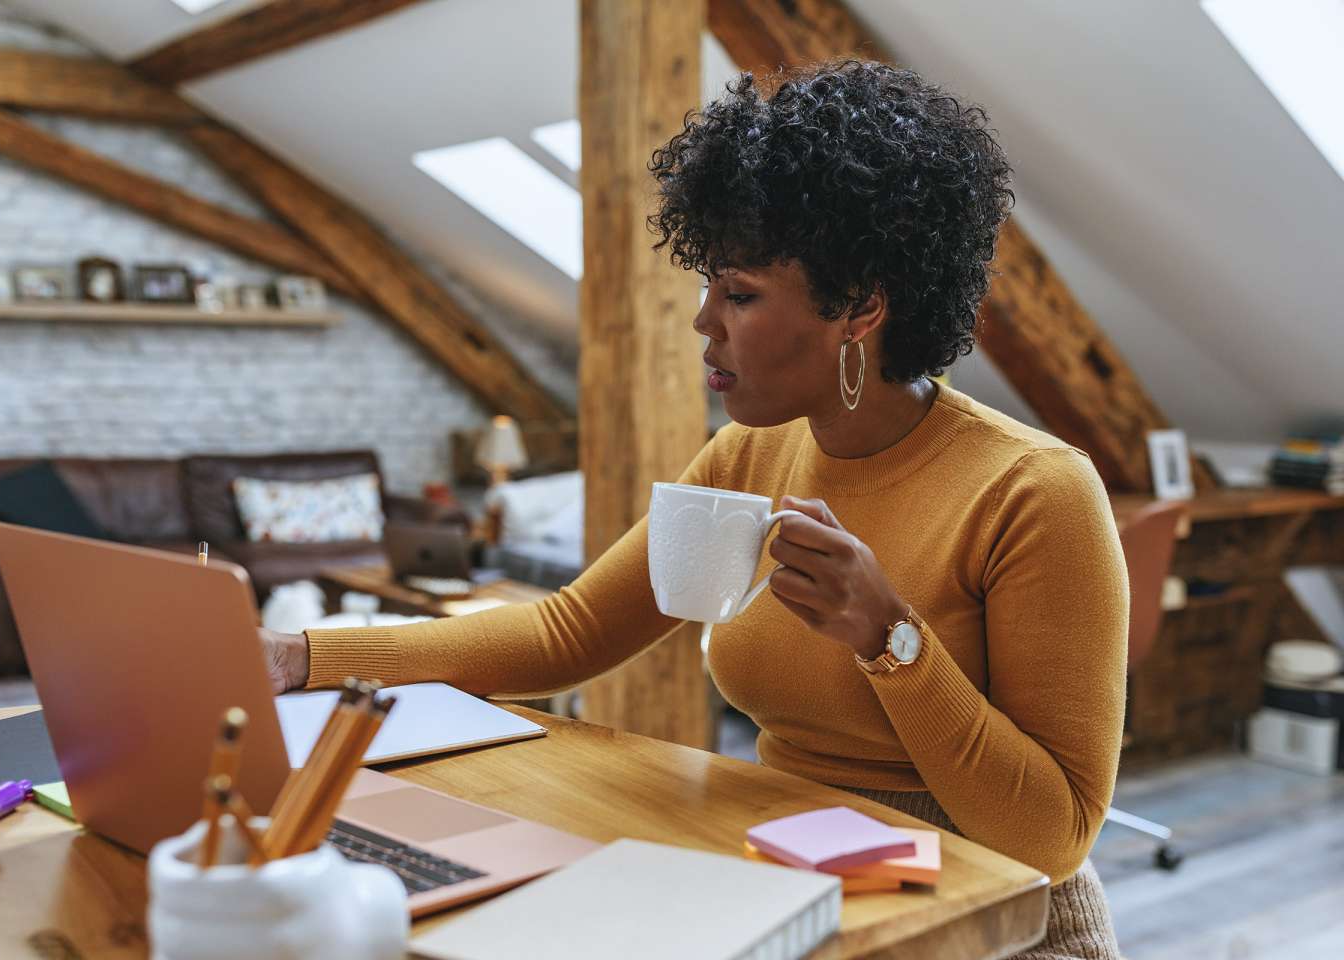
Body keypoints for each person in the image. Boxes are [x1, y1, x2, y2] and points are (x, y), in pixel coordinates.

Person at [262, 60, 1126, 959]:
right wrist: (301, 657)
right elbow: (567, 634)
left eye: (741, 294)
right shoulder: (749, 455)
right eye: (709, 283)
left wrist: (888, 637)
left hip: (988, 924)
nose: (702, 320)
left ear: (860, 307)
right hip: (790, 879)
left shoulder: (1035, 490)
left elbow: (1053, 836)